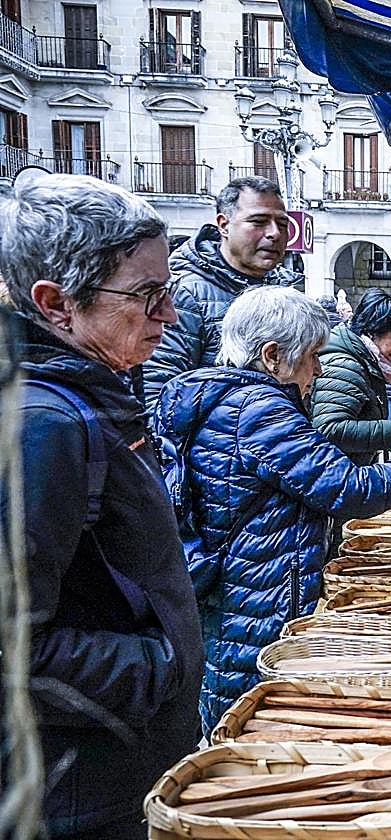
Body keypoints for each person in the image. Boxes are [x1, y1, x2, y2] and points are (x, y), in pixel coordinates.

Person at [153, 286, 391, 731]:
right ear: (273, 356)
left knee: (244, 707)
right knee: (252, 717)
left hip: (244, 583)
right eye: (312, 356)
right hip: (256, 593)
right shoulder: (257, 410)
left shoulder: (228, 400)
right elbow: (352, 489)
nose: (318, 369)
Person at [0, 174, 202, 839]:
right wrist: (158, 667)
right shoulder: (45, 427)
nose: (168, 315)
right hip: (77, 787)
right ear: (57, 304)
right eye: (147, 296)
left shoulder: (86, 399)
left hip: (107, 767)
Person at [141, 176, 299, 411]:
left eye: (283, 224)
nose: (274, 234)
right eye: (259, 222)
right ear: (224, 225)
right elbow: (158, 397)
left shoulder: (284, 291)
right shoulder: (184, 294)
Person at [310, 288, 391, 464]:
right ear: (372, 332)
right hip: (336, 472)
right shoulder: (344, 366)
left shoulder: (363, 360)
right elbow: (330, 428)